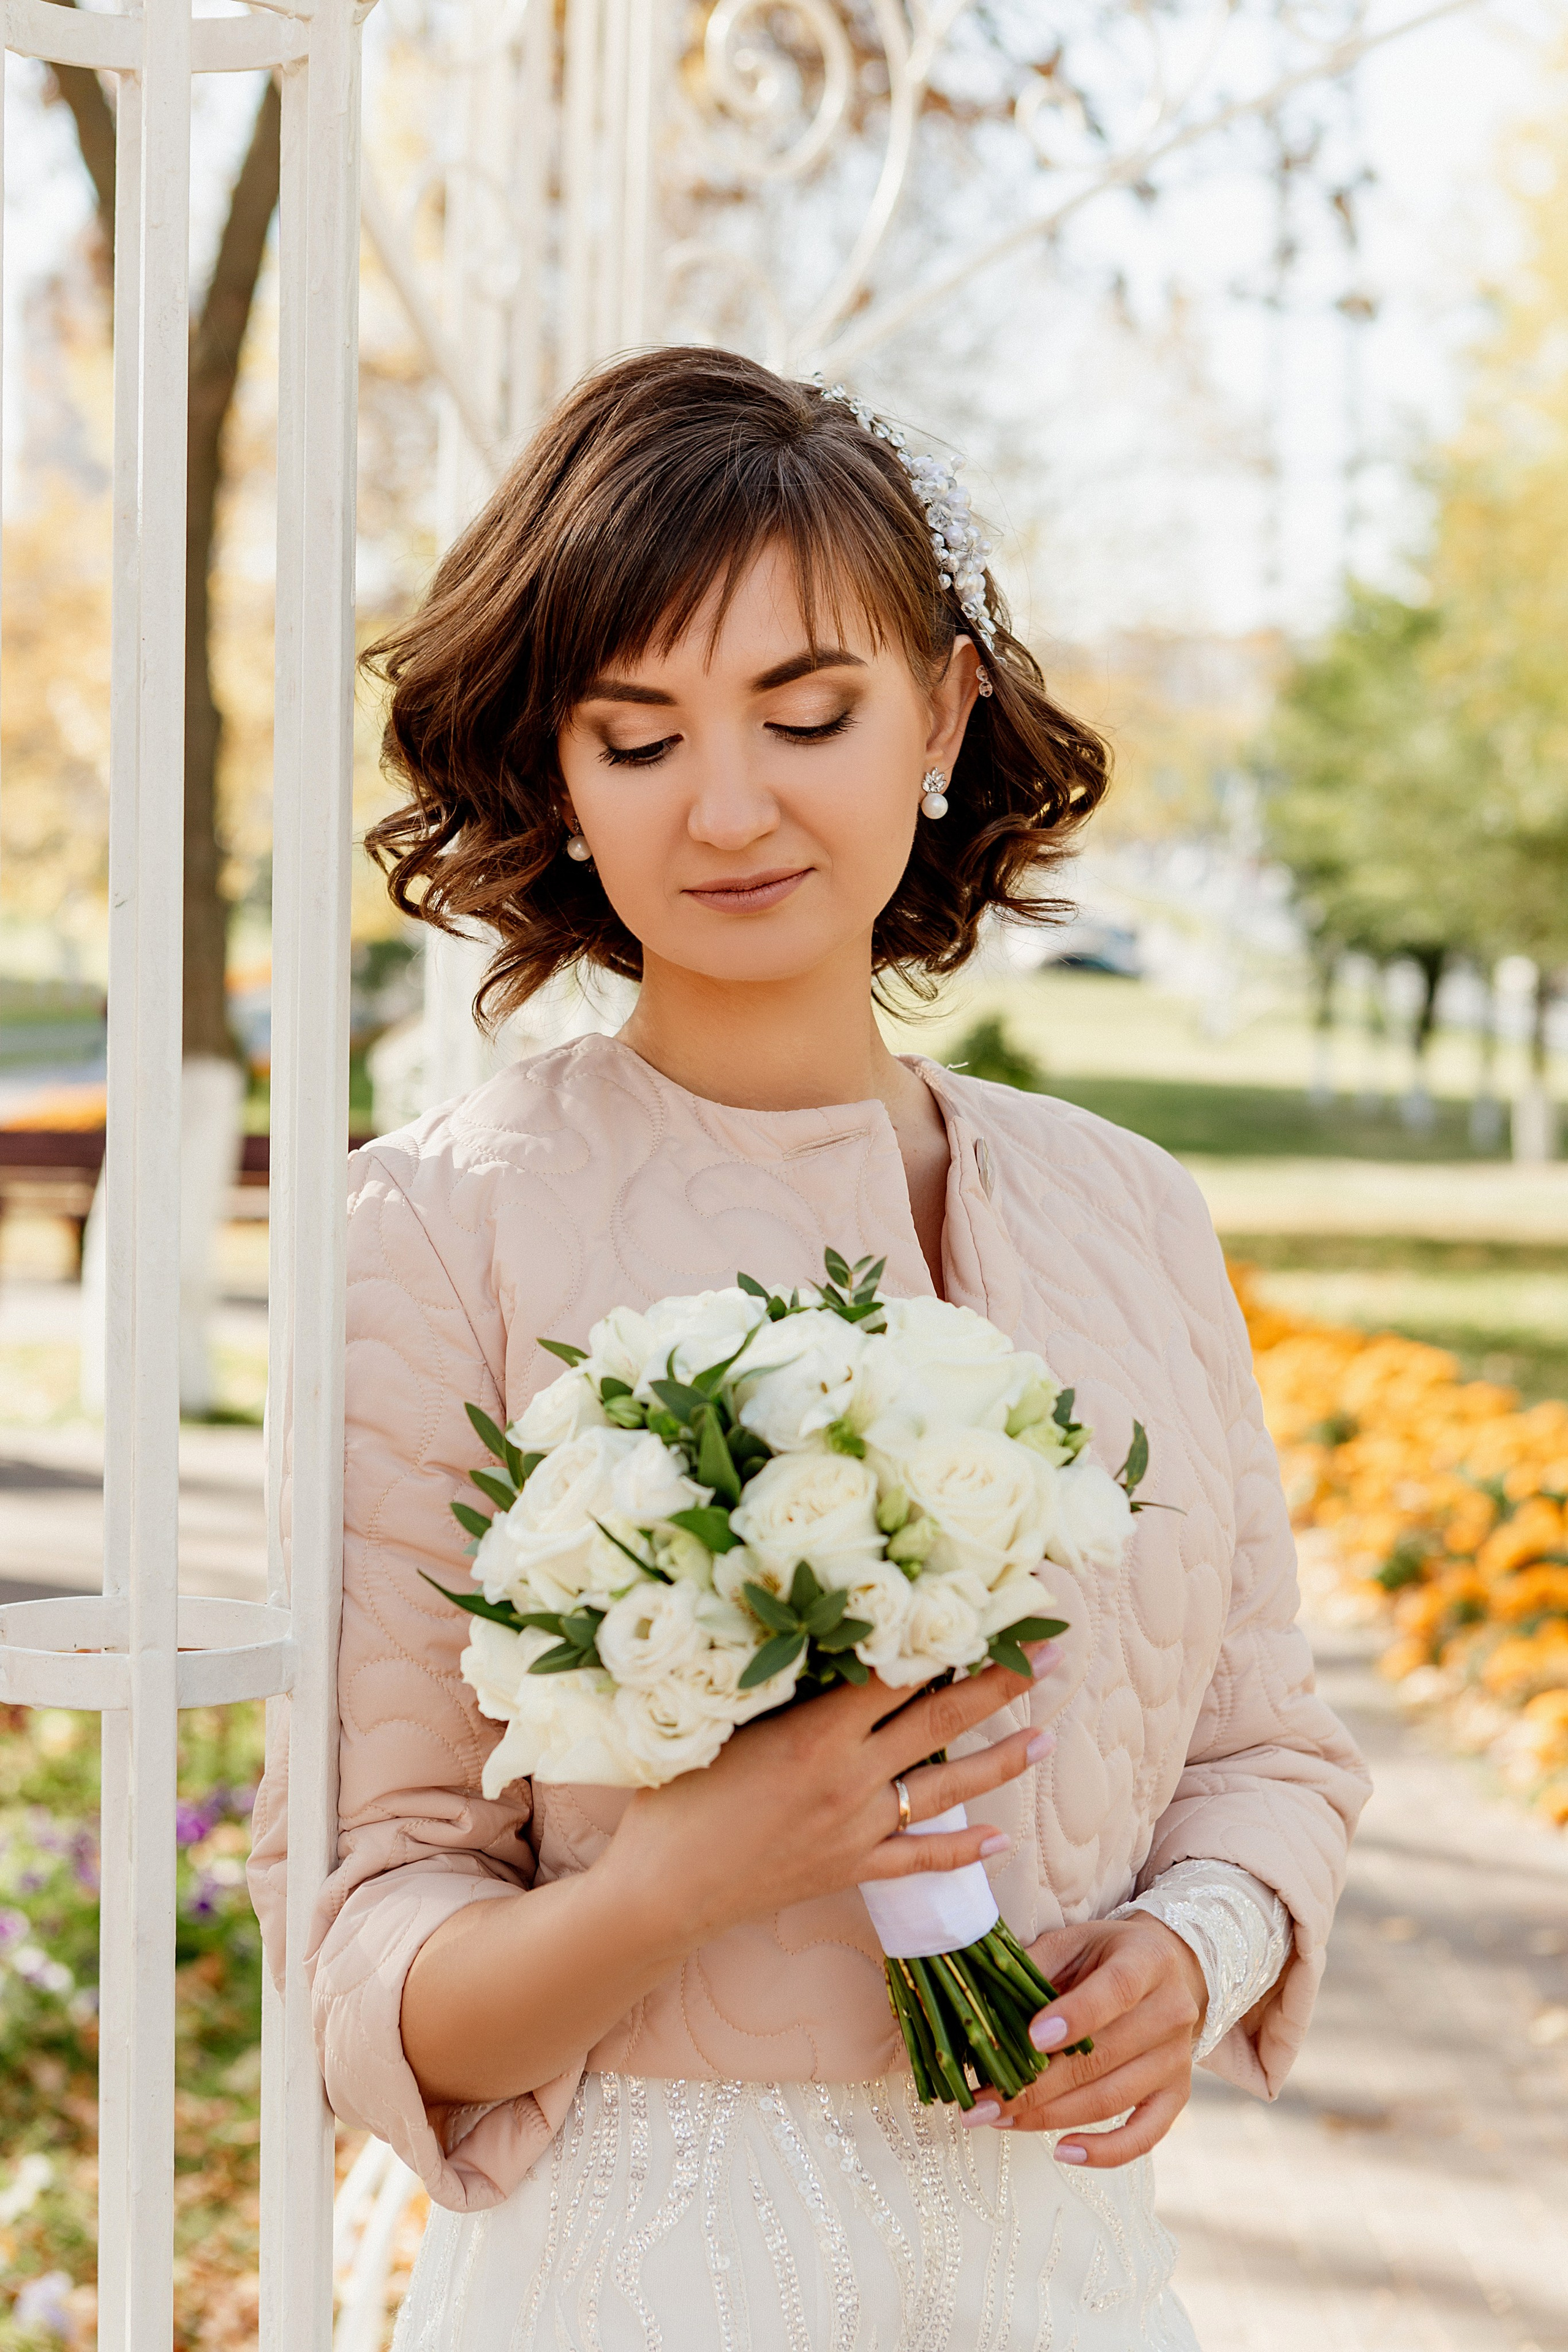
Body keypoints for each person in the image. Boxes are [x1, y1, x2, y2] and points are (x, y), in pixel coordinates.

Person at [249, 346, 1369, 2351]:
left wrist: (1192, 1954)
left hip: (1062, 2281)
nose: (735, 804)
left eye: (809, 710)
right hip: (641, 2282)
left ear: (940, 710)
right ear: (557, 777)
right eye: (640, 734)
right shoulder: (441, 1222)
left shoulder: (1131, 1212)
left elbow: (1264, 1754)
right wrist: (684, 1877)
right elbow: (372, 1935)